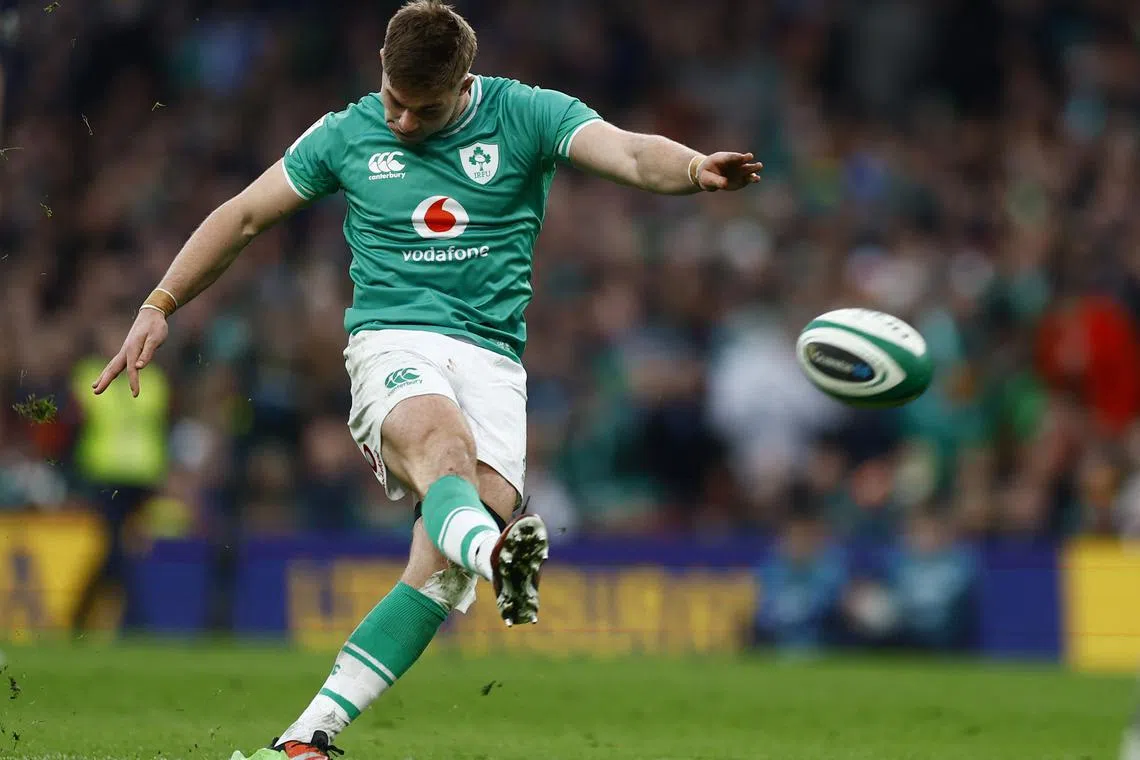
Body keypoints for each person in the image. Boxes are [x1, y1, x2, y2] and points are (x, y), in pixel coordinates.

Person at [91, 2, 762, 758]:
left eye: (426, 107)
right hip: (393, 342)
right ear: (380, 64)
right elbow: (244, 214)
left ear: (464, 81)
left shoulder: (526, 115)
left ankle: (308, 737)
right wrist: (159, 302)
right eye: (394, 101)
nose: (404, 121)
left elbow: (632, 155)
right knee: (442, 446)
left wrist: (694, 169)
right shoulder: (345, 132)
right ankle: (497, 554)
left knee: (438, 566)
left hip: (494, 363)